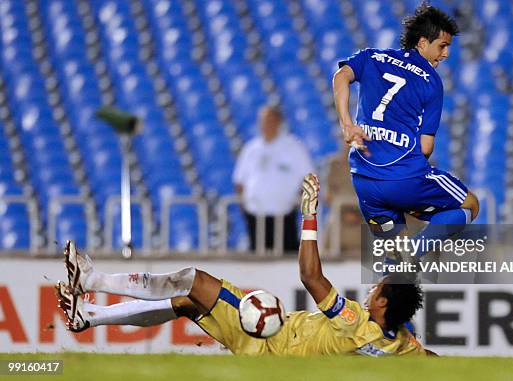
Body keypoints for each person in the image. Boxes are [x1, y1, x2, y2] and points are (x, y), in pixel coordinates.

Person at [56, 174, 428, 356]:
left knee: (193, 280)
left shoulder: (354, 322)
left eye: (377, 287)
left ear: (381, 303)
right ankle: (88, 317)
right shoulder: (403, 347)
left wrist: (309, 217)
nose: (370, 288)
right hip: (273, 350)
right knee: (186, 304)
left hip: (269, 338)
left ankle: (92, 277)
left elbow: (310, 276)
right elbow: (432, 360)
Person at [332, 2, 479, 258]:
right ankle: (416, 250)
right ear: (423, 42)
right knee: (470, 204)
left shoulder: (371, 57)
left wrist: (347, 123)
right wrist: (411, 195)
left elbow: (340, 77)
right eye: (442, 46)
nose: (445, 55)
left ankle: (394, 273)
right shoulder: (431, 82)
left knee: (395, 262)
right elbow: (425, 147)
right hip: (404, 178)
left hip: (365, 181)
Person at [233, 105, 314, 253]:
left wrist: (298, 203)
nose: (266, 124)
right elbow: (240, 181)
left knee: (288, 258)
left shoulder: (293, 148)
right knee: (256, 260)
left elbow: (308, 178)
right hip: (255, 215)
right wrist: (244, 207)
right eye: (263, 121)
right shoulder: (251, 149)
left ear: (279, 122)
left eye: (270, 120)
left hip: (284, 214)